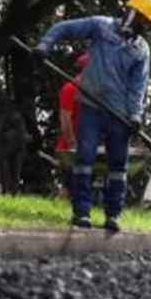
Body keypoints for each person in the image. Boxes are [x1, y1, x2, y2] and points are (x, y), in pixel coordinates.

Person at [35, 0, 151, 234]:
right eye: (143, 20)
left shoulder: (141, 50)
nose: (145, 26)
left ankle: (113, 215)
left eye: (148, 23)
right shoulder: (100, 26)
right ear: (131, 13)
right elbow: (63, 27)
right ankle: (81, 212)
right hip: (92, 107)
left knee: (118, 166)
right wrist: (45, 44)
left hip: (120, 115)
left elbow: (138, 86)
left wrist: (135, 115)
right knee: (84, 159)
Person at [55, 53, 88, 197]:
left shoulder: (97, 92)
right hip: (71, 146)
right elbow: (65, 119)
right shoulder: (70, 89)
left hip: (88, 144)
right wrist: (72, 143)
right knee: (67, 183)